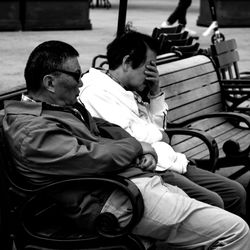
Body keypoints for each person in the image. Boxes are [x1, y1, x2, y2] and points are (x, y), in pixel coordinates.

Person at [3, 40, 250, 249]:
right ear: (49, 83)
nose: (80, 83)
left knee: (217, 210)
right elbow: (90, 156)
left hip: (131, 183)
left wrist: (138, 145)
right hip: (113, 200)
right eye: (76, 76)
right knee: (236, 231)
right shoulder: (31, 129)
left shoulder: (64, 107)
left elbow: (107, 128)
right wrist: (138, 147)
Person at [79, 30, 248, 222]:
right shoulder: (97, 92)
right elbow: (133, 139)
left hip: (170, 160)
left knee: (236, 192)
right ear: (127, 62)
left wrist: (155, 92)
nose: (151, 73)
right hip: (150, 170)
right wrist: (160, 135)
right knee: (214, 202)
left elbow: (157, 127)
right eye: (148, 67)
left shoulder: (125, 88)